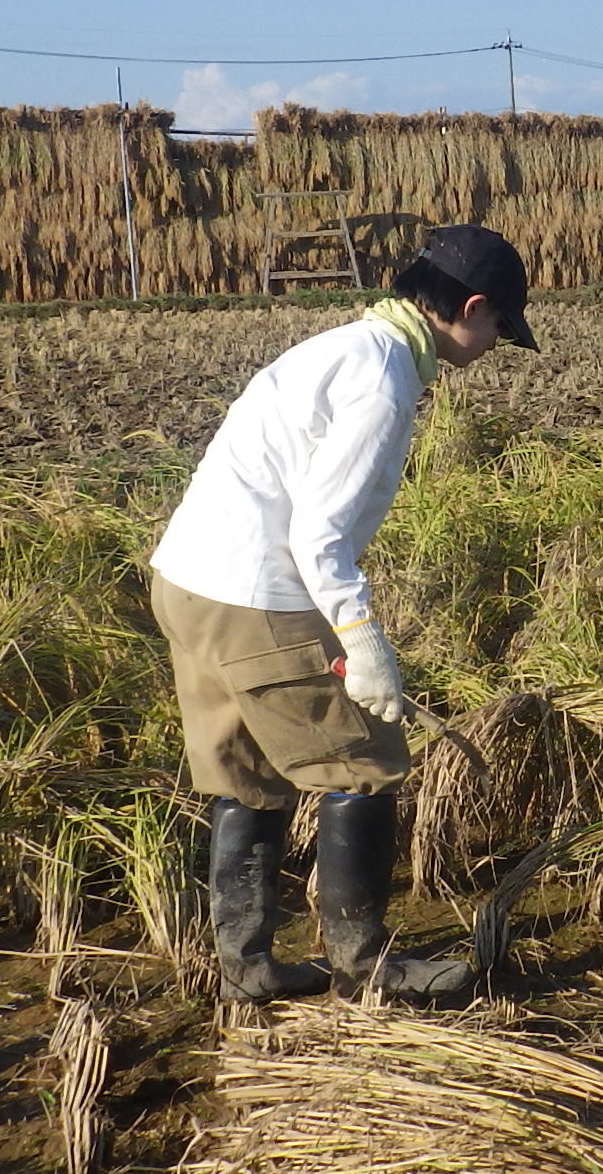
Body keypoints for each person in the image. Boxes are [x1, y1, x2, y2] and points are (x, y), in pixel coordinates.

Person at [148, 226, 537, 1001]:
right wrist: (362, 641)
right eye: (500, 325)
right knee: (365, 763)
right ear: (471, 308)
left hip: (187, 584)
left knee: (248, 778)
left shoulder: (339, 348)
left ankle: (248, 970)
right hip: (256, 596)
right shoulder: (383, 380)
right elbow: (318, 536)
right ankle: (369, 969)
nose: (498, 342)